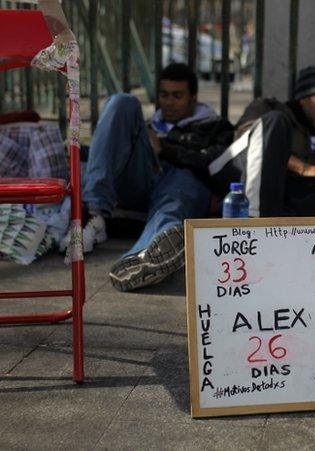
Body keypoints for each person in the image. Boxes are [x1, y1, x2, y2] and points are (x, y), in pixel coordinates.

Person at [66, 63, 232, 292]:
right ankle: (95, 214)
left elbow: (214, 162)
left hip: (185, 179)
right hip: (146, 179)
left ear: (193, 97)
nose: (168, 102)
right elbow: (111, 150)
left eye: (177, 96)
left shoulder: (216, 126)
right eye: (164, 95)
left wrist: (165, 149)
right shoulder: (148, 125)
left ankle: (141, 259)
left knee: (171, 207)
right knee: (122, 101)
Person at [162, 64, 315, 217]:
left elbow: (314, 188)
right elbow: (252, 140)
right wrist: (303, 168)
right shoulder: (268, 108)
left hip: (283, 194)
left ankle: (275, 218)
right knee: (275, 123)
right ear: (303, 99)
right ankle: (258, 219)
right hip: (237, 175)